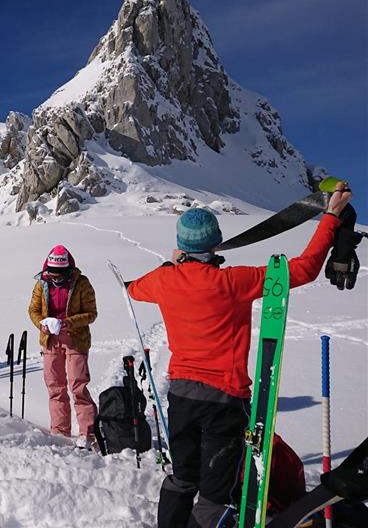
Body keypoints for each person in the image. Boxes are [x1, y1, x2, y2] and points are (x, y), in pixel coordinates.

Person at [127, 184, 353, 528]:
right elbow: (304, 269)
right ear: (215, 243)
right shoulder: (233, 282)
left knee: (182, 478)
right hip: (224, 401)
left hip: (182, 397)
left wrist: (172, 266)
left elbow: (133, 288)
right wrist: (331, 217)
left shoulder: (163, 281)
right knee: (216, 492)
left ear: (182, 245)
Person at [28, 244, 98, 449]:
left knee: (78, 385)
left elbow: (91, 313)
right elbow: (33, 309)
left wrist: (68, 322)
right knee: (55, 386)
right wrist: (42, 323)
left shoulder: (81, 283)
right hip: (51, 339)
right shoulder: (42, 284)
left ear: (68, 270)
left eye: (60, 275)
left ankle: (88, 432)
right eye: (52, 274)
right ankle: (60, 431)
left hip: (75, 338)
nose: (56, 278)